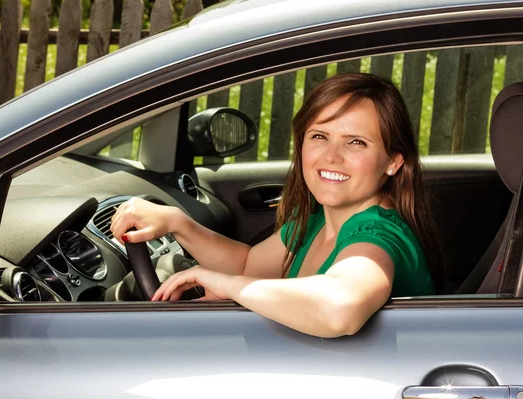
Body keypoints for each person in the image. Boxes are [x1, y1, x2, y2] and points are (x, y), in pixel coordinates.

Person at [110, 73, 441, 338]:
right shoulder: (314, 221)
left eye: (356, 142)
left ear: (393, 162)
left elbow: (341, 307)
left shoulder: (377, 235)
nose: (332, 156)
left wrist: (228, 288)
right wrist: (178, 223)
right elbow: (248, 266)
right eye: (319, 136)